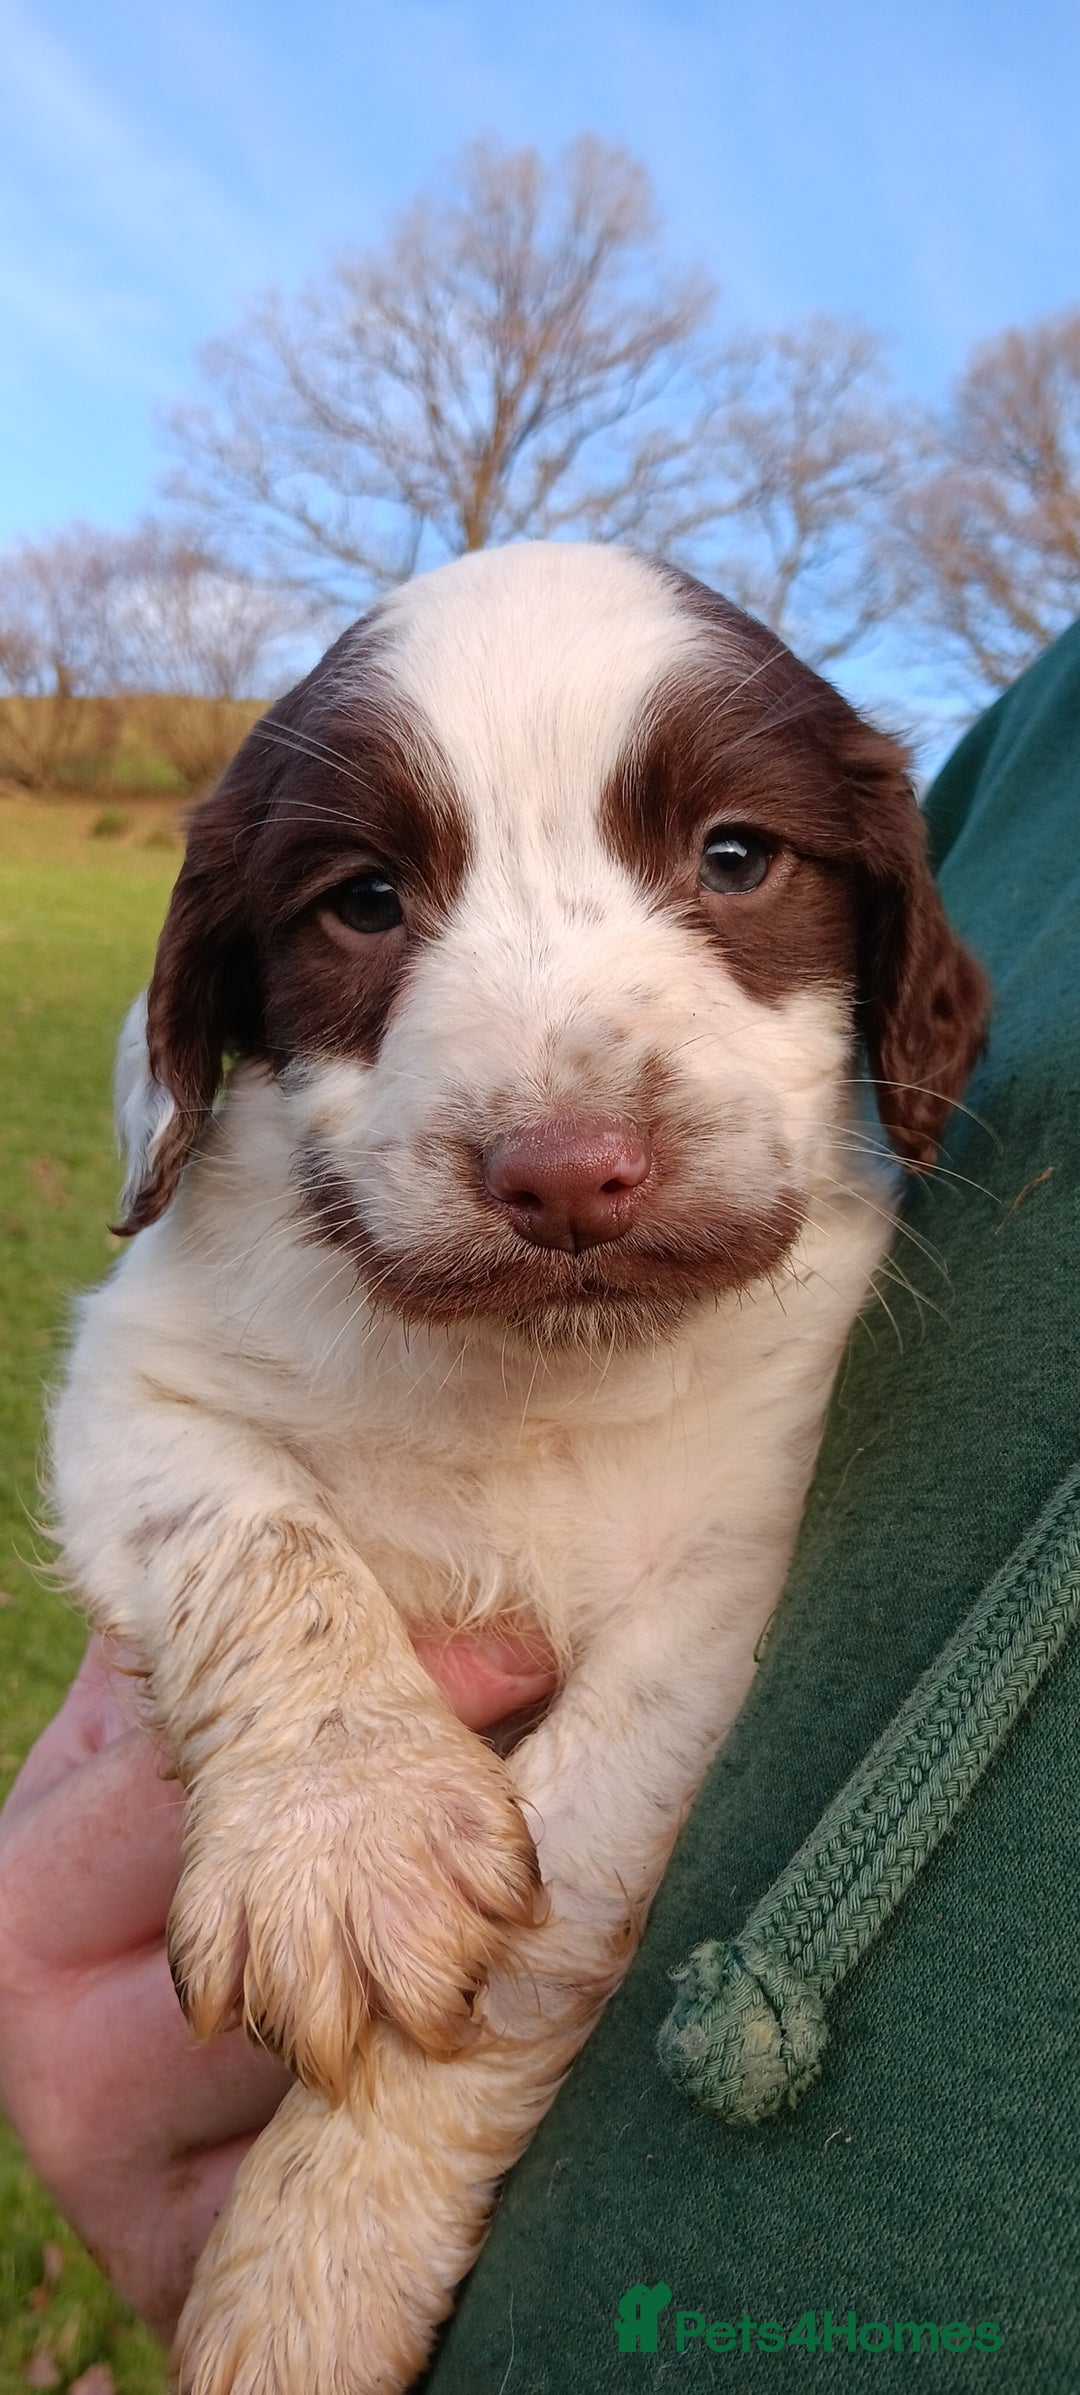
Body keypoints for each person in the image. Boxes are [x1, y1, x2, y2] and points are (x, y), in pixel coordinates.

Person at [3, 619, 1080, 2388]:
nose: (567, 1139)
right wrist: (304, 1723)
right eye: (362, 902)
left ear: (899, 945)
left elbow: (714, 1618)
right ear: (219, 990)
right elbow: (153, 1399)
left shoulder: (827, 1276)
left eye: (735, 861)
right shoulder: (246, 1212)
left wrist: (393, 2153)